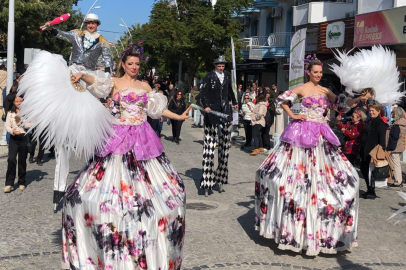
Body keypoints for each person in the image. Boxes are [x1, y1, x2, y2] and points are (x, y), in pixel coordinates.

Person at [255, 60, 365, 256]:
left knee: (336, 179)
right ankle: (295, 227)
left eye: (320, 72)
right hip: (302, 136)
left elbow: (341, 104)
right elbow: (281, 100)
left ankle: (318, 228)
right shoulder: (301, 88)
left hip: (322, 136)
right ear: (308, 72)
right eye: (315, 72)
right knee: (298, 178)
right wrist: (294, 115)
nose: (318, 75)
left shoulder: (325, 90)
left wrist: (358, 99)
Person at [43, 13, 113, 210]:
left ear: (98, 25)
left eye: (94, 23)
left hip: (88, 79)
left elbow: (108, 64)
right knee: (62, 140)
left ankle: (93, 183)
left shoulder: (102, 43)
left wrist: (107, 84)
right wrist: (50, 27)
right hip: (71, 75)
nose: (91, 25)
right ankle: (59, 188)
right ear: (86, 24)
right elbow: (60, 34)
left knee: (92, 134)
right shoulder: (76, 36)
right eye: (89, 22)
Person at [199, 55, 238, 196]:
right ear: (215, 65)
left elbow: (230, 91)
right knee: (209, 148)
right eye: (219, 66)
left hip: (225, 113)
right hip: (212, 112)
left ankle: (221, 178)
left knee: (225, 148)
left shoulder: (227, 75)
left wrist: (234, 102)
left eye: (223, 66)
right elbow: (202, 95)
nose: (221, 68)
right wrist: (207, 106)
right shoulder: (209, 76)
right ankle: (207, 182)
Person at [359, 104, 388, 199]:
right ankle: (369, 189)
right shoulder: (371, 121)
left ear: (379, 111)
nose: (371, 112)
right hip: (365, 151)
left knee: (370, 172)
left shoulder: (379, 123)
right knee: (364, 170)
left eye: (373, 110)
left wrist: (380, 152)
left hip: (372, 152)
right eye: (370, 110)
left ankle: (372, 191)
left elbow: (382, 139)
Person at [4, 96, 31, 193]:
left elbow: (32, 124)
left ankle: (21, 181)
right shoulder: (10, 113)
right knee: (11, 159)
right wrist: (12, 131)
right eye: (16, 101)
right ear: (14, 102)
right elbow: (7, 125)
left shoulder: (27, 112)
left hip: (23, 138)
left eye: (20, 101)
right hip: (13, 138)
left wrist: (24, 124)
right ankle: (9, 183)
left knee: (22, 160)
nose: (18, 103)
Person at [386, 107, 406, 187]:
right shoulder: (402, 123)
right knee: (397, 164)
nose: (391, 114)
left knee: (395, 164)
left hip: (395, 148)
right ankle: (399, 180)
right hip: (399, 147)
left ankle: (398, 181)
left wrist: (390, 149)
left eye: (393, 112)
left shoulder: (397, 125)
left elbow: (394, 138)